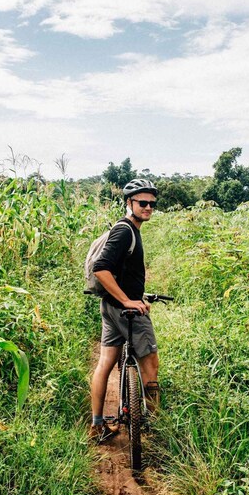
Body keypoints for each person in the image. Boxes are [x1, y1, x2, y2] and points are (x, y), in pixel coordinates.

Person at [89, 178, 160, 443]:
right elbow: (102, 268)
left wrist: (136, 294)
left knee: (105, 363)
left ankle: (98, 425)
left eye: (152, 204)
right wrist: (129, 301)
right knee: (150, 363)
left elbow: (120, 270)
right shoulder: (125, 231)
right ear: (129, 203)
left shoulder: (129, 229)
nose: (148, 208)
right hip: (124, 311)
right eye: (143, 203)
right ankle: (154, 431)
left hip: (109, 307)